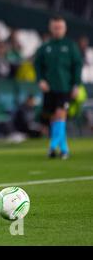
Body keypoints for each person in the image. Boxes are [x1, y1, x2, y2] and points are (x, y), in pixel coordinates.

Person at [34, 16, 83, 160]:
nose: (57, 30)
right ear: (51, 28)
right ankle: (63, 149)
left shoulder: (70, 46)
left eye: (60, 27)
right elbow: (38, 65)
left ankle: (52, 146)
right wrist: (40, 80)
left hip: (65, 87)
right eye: (55, 27)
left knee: (61, 114)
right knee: (54, 118)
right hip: (49, 88)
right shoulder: (45, 47)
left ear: (65, 28)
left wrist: (76, 85)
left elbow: (77, 66)